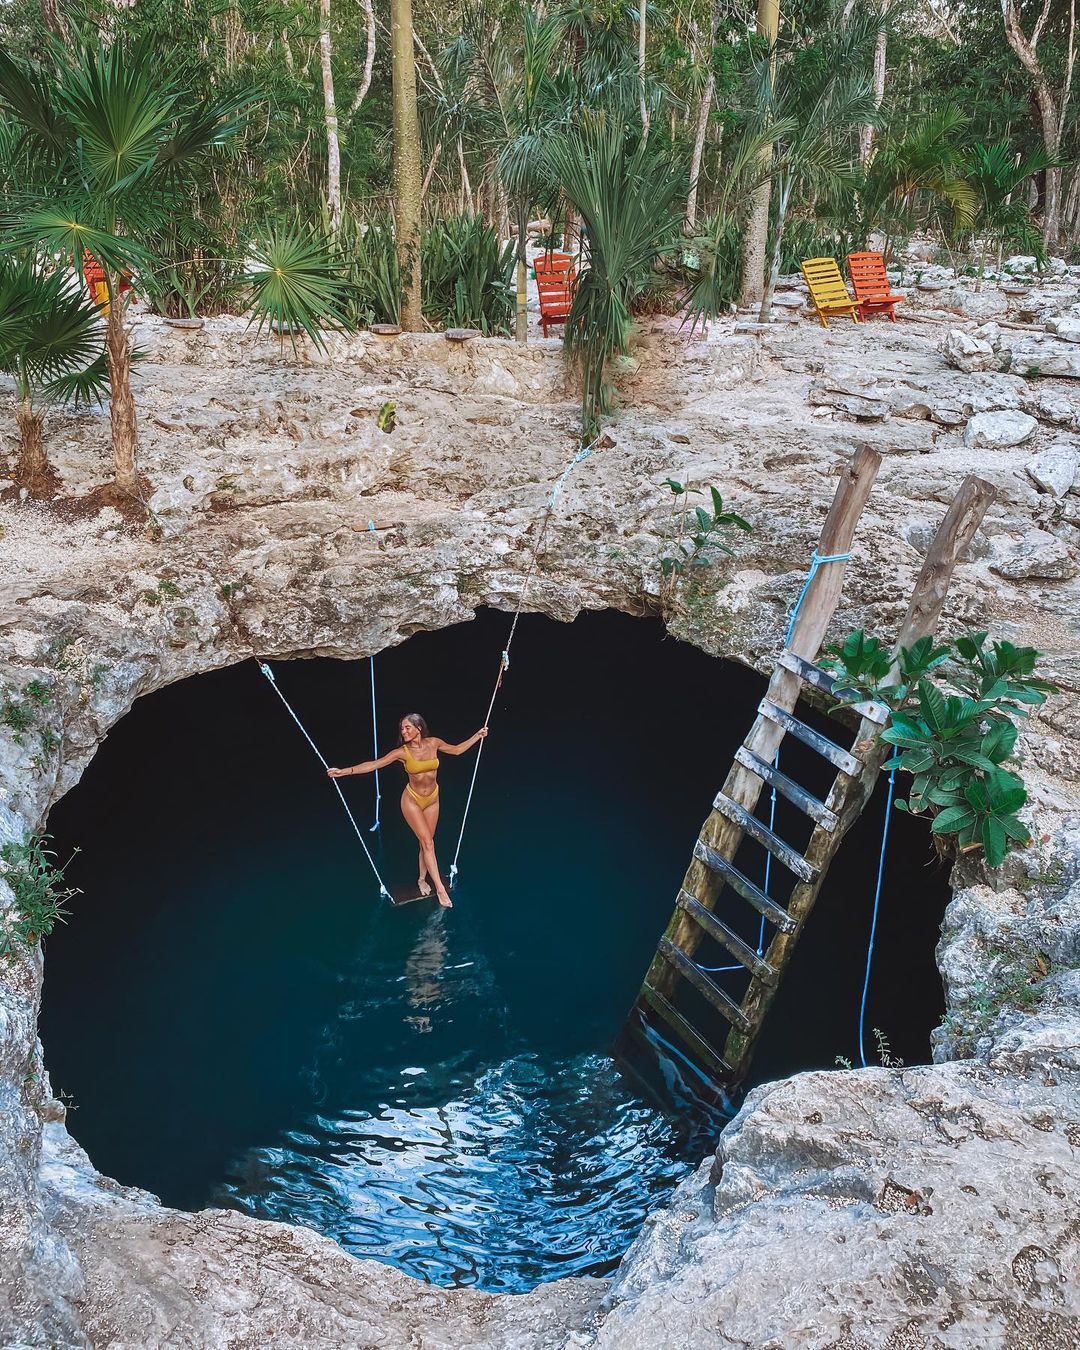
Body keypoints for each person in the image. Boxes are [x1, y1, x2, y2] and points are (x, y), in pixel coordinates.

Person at [328, 715, 487, 908]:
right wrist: (345, 771)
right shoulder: (402, 753)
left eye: (407, 727)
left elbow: (457, 750)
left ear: (419, 728)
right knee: (428, 842)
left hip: (433, 799)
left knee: (426, 842)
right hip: (412, 801)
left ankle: (422, 878)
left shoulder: (434, 743)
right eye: (402, 729)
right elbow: (374, 764)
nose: (403, 731)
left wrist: (477, 736)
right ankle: (440, 889)